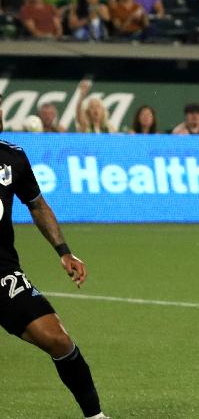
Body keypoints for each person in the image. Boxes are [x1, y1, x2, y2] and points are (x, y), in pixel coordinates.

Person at [0, 97, 110, 419]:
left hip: (2, 272)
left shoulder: (12, 157)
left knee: (58, 339)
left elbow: (36, 205)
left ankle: (95, 416)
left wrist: (64, 251)